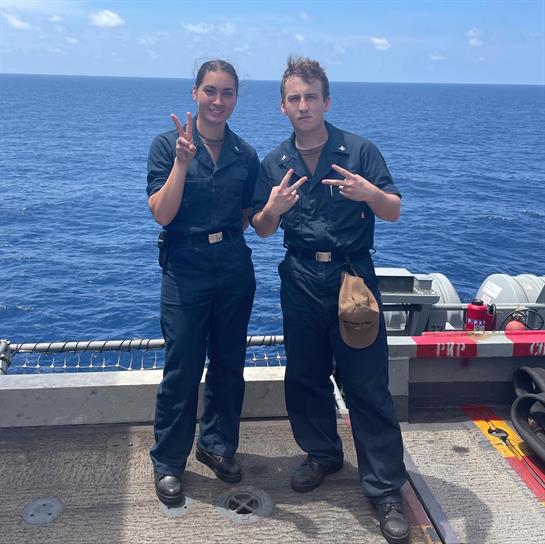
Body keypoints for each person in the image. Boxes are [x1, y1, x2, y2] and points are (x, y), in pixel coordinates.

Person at [251, 57, 409, 544]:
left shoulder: (359, 151)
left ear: (326, 101)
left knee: (365, 384)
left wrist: (368, 195)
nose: (303, 105)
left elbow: (395, 210)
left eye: (311, 96)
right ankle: (322, 454)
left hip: (351, 279)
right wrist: (271, 211)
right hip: (298, 276)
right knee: (304, 375)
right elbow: (260, 228)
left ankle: (384, 489)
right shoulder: (275, 162)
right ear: (283, 106)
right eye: (294, 98)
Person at [146, 60, 258, 506]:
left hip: (232, 263)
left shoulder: (244, 155)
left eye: (226, 92)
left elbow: (250, 219)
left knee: (229, 365)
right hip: (185, 265)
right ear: (194, 93)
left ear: (235, 98)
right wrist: (181, 162)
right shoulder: (165, 146)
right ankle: (168, 462)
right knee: (183, 367)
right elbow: (162, 212)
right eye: (209, 91)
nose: (217, 101)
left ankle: (215, 446)